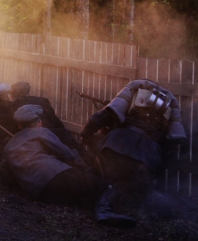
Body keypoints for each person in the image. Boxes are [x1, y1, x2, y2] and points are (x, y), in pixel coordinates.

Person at [1, 105, 136, 227]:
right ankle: (105, 212)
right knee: (106, 186)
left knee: (84, 196)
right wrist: (86, 170)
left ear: (19, 125)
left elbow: (5, 171)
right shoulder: (41, 132)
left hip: (40, 192)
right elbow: (66, 153)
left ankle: (99, 205)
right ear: (39, 122)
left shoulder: (9, 145)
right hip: (57, 175)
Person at [80, 79, 186, 217]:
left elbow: (100, 119)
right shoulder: (169, 108)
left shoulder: (133, 89)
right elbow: (169, 147)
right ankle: (164, 209)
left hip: (116, 149)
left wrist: (86, 135)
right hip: (146, 162)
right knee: (142, 190)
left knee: (107, 180)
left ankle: (103, 205)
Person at [10, 81, 77, 149]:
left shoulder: (13, 105)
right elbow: (54, 120)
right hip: (53, 132)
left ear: (13, 95)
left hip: (32, 137)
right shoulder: (43, 100)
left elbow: (13, 127)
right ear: (28, 92)